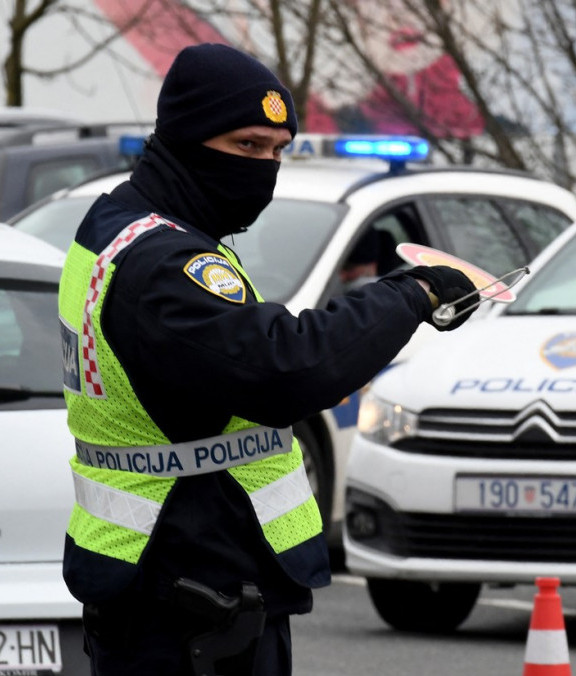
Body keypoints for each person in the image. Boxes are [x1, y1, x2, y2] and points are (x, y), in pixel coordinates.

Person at [57, 42, 476, 676]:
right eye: (247, 146)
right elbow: (287, 368)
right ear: (187, 137)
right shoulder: (163, 263)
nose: (264, 168)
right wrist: (410, 294)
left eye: (278, 151)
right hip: (190, 598)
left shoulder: (120, 223)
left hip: (171, 578)